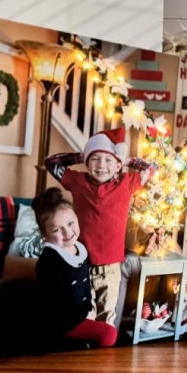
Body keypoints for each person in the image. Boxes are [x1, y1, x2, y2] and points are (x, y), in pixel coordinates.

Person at [45, 127, 156, 328]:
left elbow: (152, 168)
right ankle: (85, 354)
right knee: (85, 316)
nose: (101, 165)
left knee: (106, 318)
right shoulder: (77, 182)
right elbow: (51, 163)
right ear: (87, 163)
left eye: (108, 160)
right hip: (82, 264)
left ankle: (103, 356)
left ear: (117, 166)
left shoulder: (127, 183)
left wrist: (126, 160)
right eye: (95, 159)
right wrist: (82, 155)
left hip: (111, 267)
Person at [32, 188, 118, 348]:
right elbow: (49, 305)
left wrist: (88, 312)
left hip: (81, 315)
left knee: (109, 331)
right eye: (57, 229)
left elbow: (86, 284)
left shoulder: (80, 248)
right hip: (60, 323)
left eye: (71, 223)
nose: (67, 232)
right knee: (108, 334)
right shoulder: (49, 261)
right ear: (45, 235)